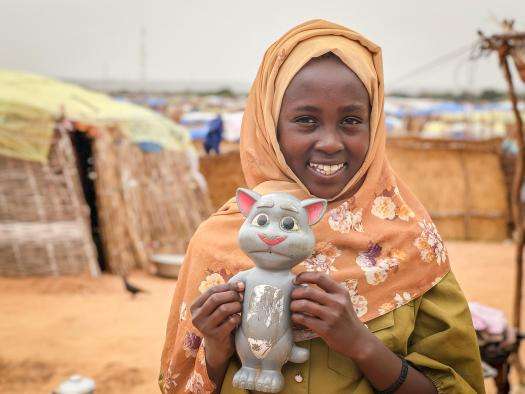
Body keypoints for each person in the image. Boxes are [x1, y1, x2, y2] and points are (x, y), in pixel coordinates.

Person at [159, 19, 485, 393]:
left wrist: (360, 344)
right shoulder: (217, 242)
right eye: (306, 120)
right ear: (270, 126)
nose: (330, 142)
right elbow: (177, 385)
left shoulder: (411, 242)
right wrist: (215, 349)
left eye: (350, 120)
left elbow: (460, 387)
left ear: (373, 126)